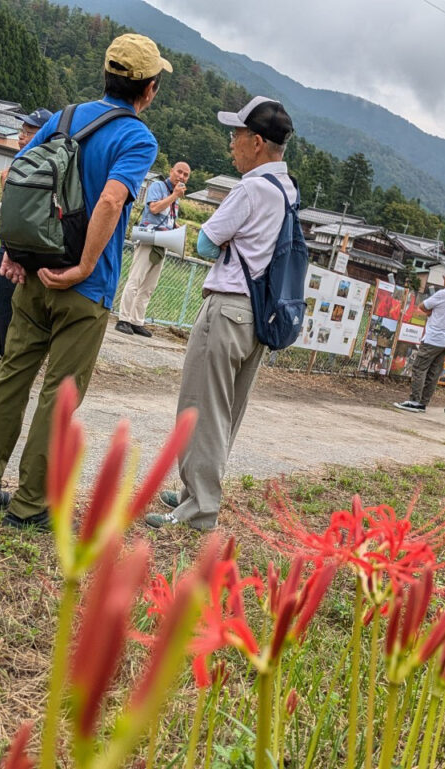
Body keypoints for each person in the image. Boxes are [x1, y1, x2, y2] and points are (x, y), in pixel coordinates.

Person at [0, 34, 167, 529]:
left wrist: (13, 251)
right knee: (61, 393)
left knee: (12, 376)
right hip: (83, 288)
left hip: (34, 272)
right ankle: (29, 507)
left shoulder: (64, 118)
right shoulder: (137, 137)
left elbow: (15, 180)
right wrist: (85, 266)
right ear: (149, 88)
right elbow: (112, 201)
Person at [145, 96, 295, 532]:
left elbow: (206, 244)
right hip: (259, 314)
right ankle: (199, 491)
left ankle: (199, 508)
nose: (231, 143)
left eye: (237, 135)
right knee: (228, 409)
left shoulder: (249, 188)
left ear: (257, 142)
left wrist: (227, 242)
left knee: (201, 406)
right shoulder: (288, 190)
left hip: (227, 307)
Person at [0, 107, 53, 392]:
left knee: (12, 317)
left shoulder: (47, 167)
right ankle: (7, 369)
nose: (22, 137)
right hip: (5, 249)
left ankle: (11, 377)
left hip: (24, 255)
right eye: (22, 132)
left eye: (29, 132)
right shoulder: (19, 163)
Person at [116, 160, 191, 337]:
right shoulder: (158, 186)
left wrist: (178, 228)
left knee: (149, 285)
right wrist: (174, 196)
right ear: (171, 171)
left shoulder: (176, 197)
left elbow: (168, 219)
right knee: (136, 280)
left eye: (185, 175)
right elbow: (155, 208)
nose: (181, 176)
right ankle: (123, 319)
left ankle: (136, 320)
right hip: (149, 239)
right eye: (179, 172)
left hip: (163, 242)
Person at [394, 265, 445, 412]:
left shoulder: (443, 294)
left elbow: (422, 305)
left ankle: (414, 400)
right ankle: (423, 403)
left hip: (433, 338)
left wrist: (430, 313)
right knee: (434, 373)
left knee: (420, 368)